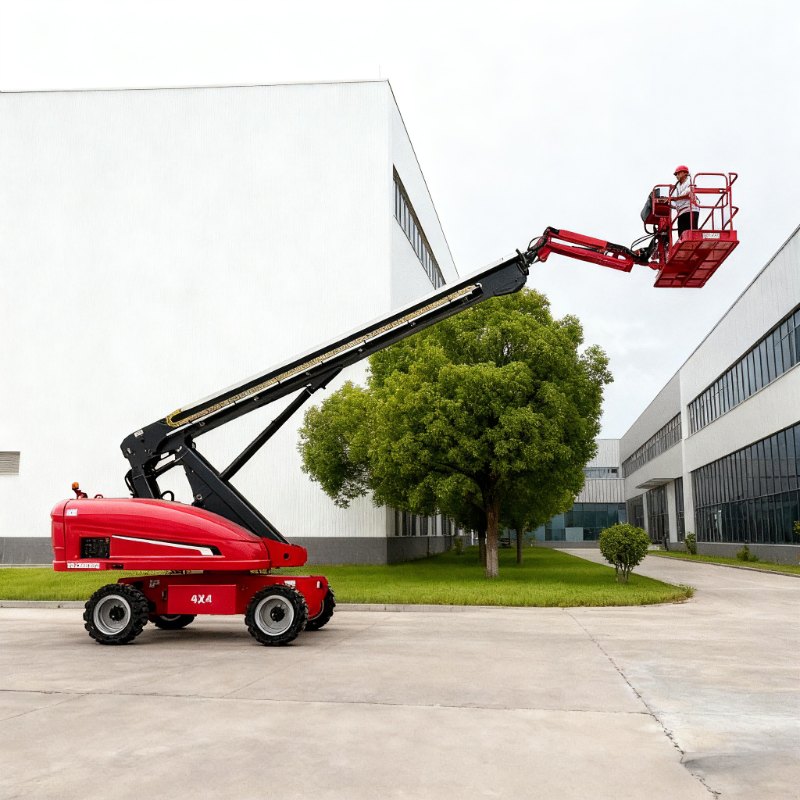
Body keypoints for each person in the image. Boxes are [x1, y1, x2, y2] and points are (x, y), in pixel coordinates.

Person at [670, 165, 699, 239]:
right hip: (681, 211)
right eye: (676, 174)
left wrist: (675, 198)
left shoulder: (690, 181)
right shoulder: (677, 186)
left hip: (691, 210)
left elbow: (688, 193)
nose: (676, 176)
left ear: (684, 173)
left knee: (692, 234)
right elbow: (675, 200)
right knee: (682, 236)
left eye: (678, 173)